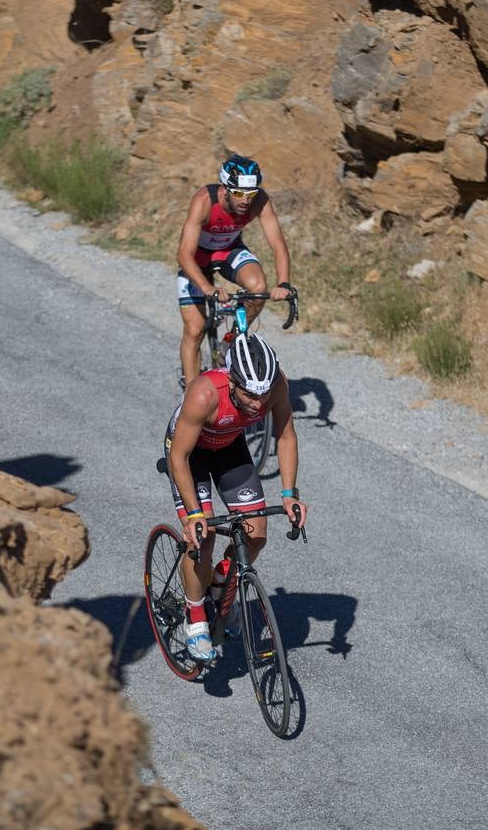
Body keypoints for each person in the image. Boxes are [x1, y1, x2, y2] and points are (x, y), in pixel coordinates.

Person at [163, 332, 308, 662]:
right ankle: (195, 615)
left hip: (229, 449)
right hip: (190, 455)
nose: (259, 402)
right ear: (231, 380)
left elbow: (285, 437)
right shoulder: (204, 394)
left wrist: (289, 494)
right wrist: (195, 516)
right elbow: (179, 458)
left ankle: (218, 584)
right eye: (249, 393)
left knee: (255, 536)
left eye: (264, 392)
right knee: (204, 537)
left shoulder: (277, 387)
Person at [176, 154, 295, 386]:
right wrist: (207, 287)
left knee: (259, 286)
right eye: (239, 193)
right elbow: (183, 254)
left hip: (228, 250)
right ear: (224, 189)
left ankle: (230, 341)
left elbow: (278, 245)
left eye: (250, 194)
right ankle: (190, 399)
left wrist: (283, 283)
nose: (246, 201)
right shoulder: (204, 200)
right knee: (195, 329)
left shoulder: (260, 200)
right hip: (196, 258)